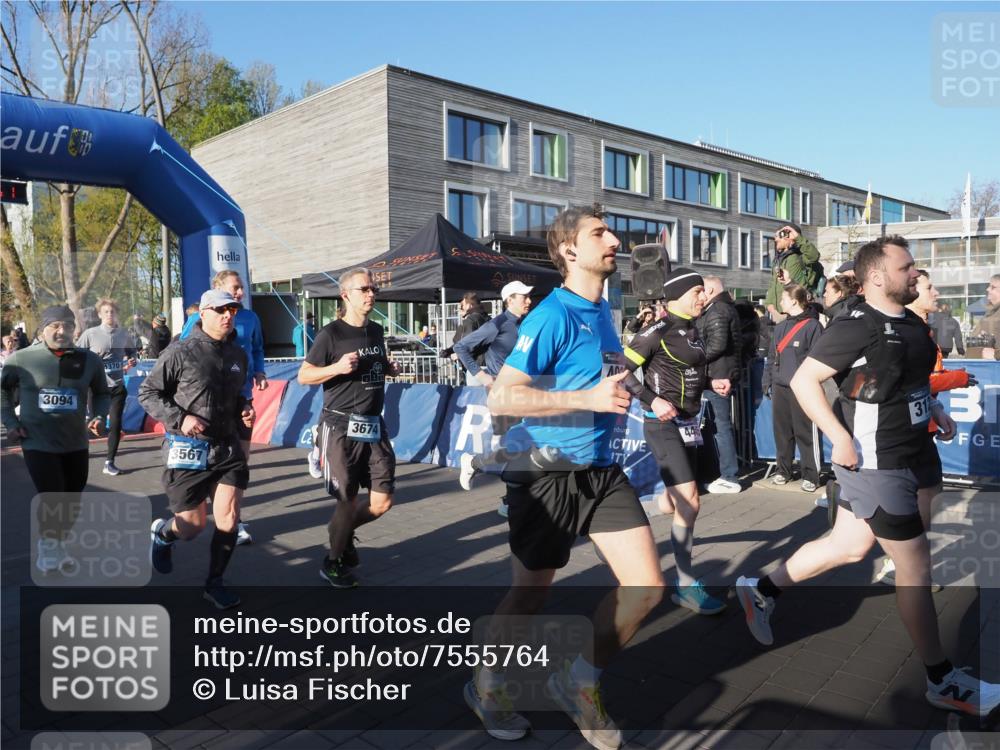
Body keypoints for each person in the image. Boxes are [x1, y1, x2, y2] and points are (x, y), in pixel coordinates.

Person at [736, 235, 1000, 718]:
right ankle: (941, 680)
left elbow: (909, 381)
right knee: (915, 564)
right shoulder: (857, 324)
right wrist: (837, 435)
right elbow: (803, 381)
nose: (916, 275)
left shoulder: (914, 326)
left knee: (850, 547)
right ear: (877, 276)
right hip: (875, 462)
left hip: (916, 450)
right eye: (908, 268)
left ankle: (760, 589)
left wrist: (935, 408)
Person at [466, 205, 664, 749]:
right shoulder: (551, 314)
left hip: (600, 470)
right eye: (600, 233)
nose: (615, 239)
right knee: (530, 596)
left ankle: (577, 682)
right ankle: (487, 685)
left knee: (647, 588)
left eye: (611, 230)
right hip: (546, 471)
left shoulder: (604, 310)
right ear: (570, 251)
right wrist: (587, 397)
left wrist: (631, 391)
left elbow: (598, 376)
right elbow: (503, 394)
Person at [621, 268, 728, 615]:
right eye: (698, 291)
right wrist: (651, 400)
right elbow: (620, 372)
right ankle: (685, 585)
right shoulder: (657, 330)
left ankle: (624, 519)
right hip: (661, 425)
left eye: (704, 291)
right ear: (678, 295)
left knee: (673, 505)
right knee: (690, 503)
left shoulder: (692, 330)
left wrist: (712, 384)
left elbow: (685, 370)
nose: (703, 297)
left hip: (689, 424)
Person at [141, 289, 255, 609]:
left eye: (232, 310)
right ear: (202, 313)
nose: (227, 316)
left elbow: (234, 398)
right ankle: (164, 536)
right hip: (187, 448)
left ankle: (214, 582)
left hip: (226, 448)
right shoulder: (180, 351)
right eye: (220, 310)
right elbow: (147, 394)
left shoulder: (238, 355)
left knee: (229, 519)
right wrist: (181, 417)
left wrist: (244, 407)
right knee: (192, 526)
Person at [297, 267, 400, 588]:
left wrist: (388, 367)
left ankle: (341, 534)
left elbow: (375, 368)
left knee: (382, 502)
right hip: (340, 426)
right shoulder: (331, 334)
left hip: (373, 425)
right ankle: (333, 560)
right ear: (346, 295)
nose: (371, 295)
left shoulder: (377, 331)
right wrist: (336, 367)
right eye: (364, 290)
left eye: (373, 290)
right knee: (347, 500)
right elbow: (304, 375)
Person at [874, 270, 977, 588]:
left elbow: (922, 384)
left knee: (928, 494)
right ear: (910, 292)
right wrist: (957, 379)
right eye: (929, 287)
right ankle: (905, 565)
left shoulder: (923, 330)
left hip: (919, 427)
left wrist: (937, 410)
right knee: (851, 540)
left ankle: (906, 563)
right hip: (895, 431)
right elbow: (912, 379)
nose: (936, 293)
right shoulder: (900, 330)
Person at [1, 305, 109, 571]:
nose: (62, 331)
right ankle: (48, 549)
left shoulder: (89, 360)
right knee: (52, 496)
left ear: (75, 329)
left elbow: (103, 393)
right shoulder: (21, 359)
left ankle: (56, 545)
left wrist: (99, 416)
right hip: (37, 440)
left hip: (75, 441)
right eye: (55, 326)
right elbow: (2, 393)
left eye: (68, 326)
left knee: (72, 499)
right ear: (42, 328)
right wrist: (11, 424)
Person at [181, 271, 267, 544]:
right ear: (218, 289)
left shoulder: (250, 318)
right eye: (235, 288)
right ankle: (199, 513)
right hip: (208, 401)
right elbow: (183, 349)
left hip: (241, 397)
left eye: (242, 288)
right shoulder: (201, 317)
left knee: (241, 458)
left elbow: (257, 349)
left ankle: (233, 518)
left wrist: (260, 372)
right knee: (209, 461)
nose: (240, 292)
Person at [453, 280, 533, 515]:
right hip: (502, 393)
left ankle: (505, 493)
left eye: (529, 296)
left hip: (526, 391)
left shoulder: (529, 323)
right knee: (517, 446)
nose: (529, 300)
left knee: (522, 446)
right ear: (510, 300)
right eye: (523, 297)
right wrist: (481, 375)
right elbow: (461, 348)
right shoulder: (497, 324)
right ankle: (479, 468)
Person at [763, 284, 824, 495]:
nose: (780, 302)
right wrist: (767, 382)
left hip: (804, 389)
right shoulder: (780, 327)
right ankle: (783, 470)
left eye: (783, 298)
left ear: (794, 301)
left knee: (805, 432)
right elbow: (771, 358)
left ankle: (811, 474)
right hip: (780, 386)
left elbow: (818, 358)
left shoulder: (813, 326)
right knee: (782, 432)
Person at [76, 298, 138, 476]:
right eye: (106, 312)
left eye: (112, 312)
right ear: (99, 315)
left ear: (116, 314)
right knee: (96, 423)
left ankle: (109, 461)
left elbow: (132, 352)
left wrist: (132, 360)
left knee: (116, 424)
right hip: (96, 388)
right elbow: (77, 354)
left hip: (117, 386)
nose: (110, 315)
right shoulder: (90, 334)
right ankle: (79, 454)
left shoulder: (123, 334)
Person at [695, 276, 743, 494]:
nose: (699, 296)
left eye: (701, 291)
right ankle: (721, 473)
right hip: (716, 373)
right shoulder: (720, 309)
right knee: (715, 427)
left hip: (718, 376)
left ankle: (729, 475)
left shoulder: (718, 311)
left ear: (711, 289)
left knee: (720, 427)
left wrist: (693, 357)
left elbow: (717, 345)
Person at [764, 223, 820, 323]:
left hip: (799, 314)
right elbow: (773, 284)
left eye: (779, 236)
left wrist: (798, 238)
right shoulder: (778, 260)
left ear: (790, 237)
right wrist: (770, 306)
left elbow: (814, 256)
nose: (775, 239)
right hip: (780, 315)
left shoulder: (800, 256)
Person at [442, 292, 490, 385]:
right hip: (491, 365)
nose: (459, 309)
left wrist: (457, 354)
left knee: (474, 398)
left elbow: (467, 344)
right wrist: (449, 351)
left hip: (476, 368)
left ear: (469, 306)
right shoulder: (488, 319)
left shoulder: (471, 321)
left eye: (461, 305)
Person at [972, 274, 1000, 359]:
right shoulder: (990, 312)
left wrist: (996, 354)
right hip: (981, 368)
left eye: (992, 287)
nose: (987, 289)